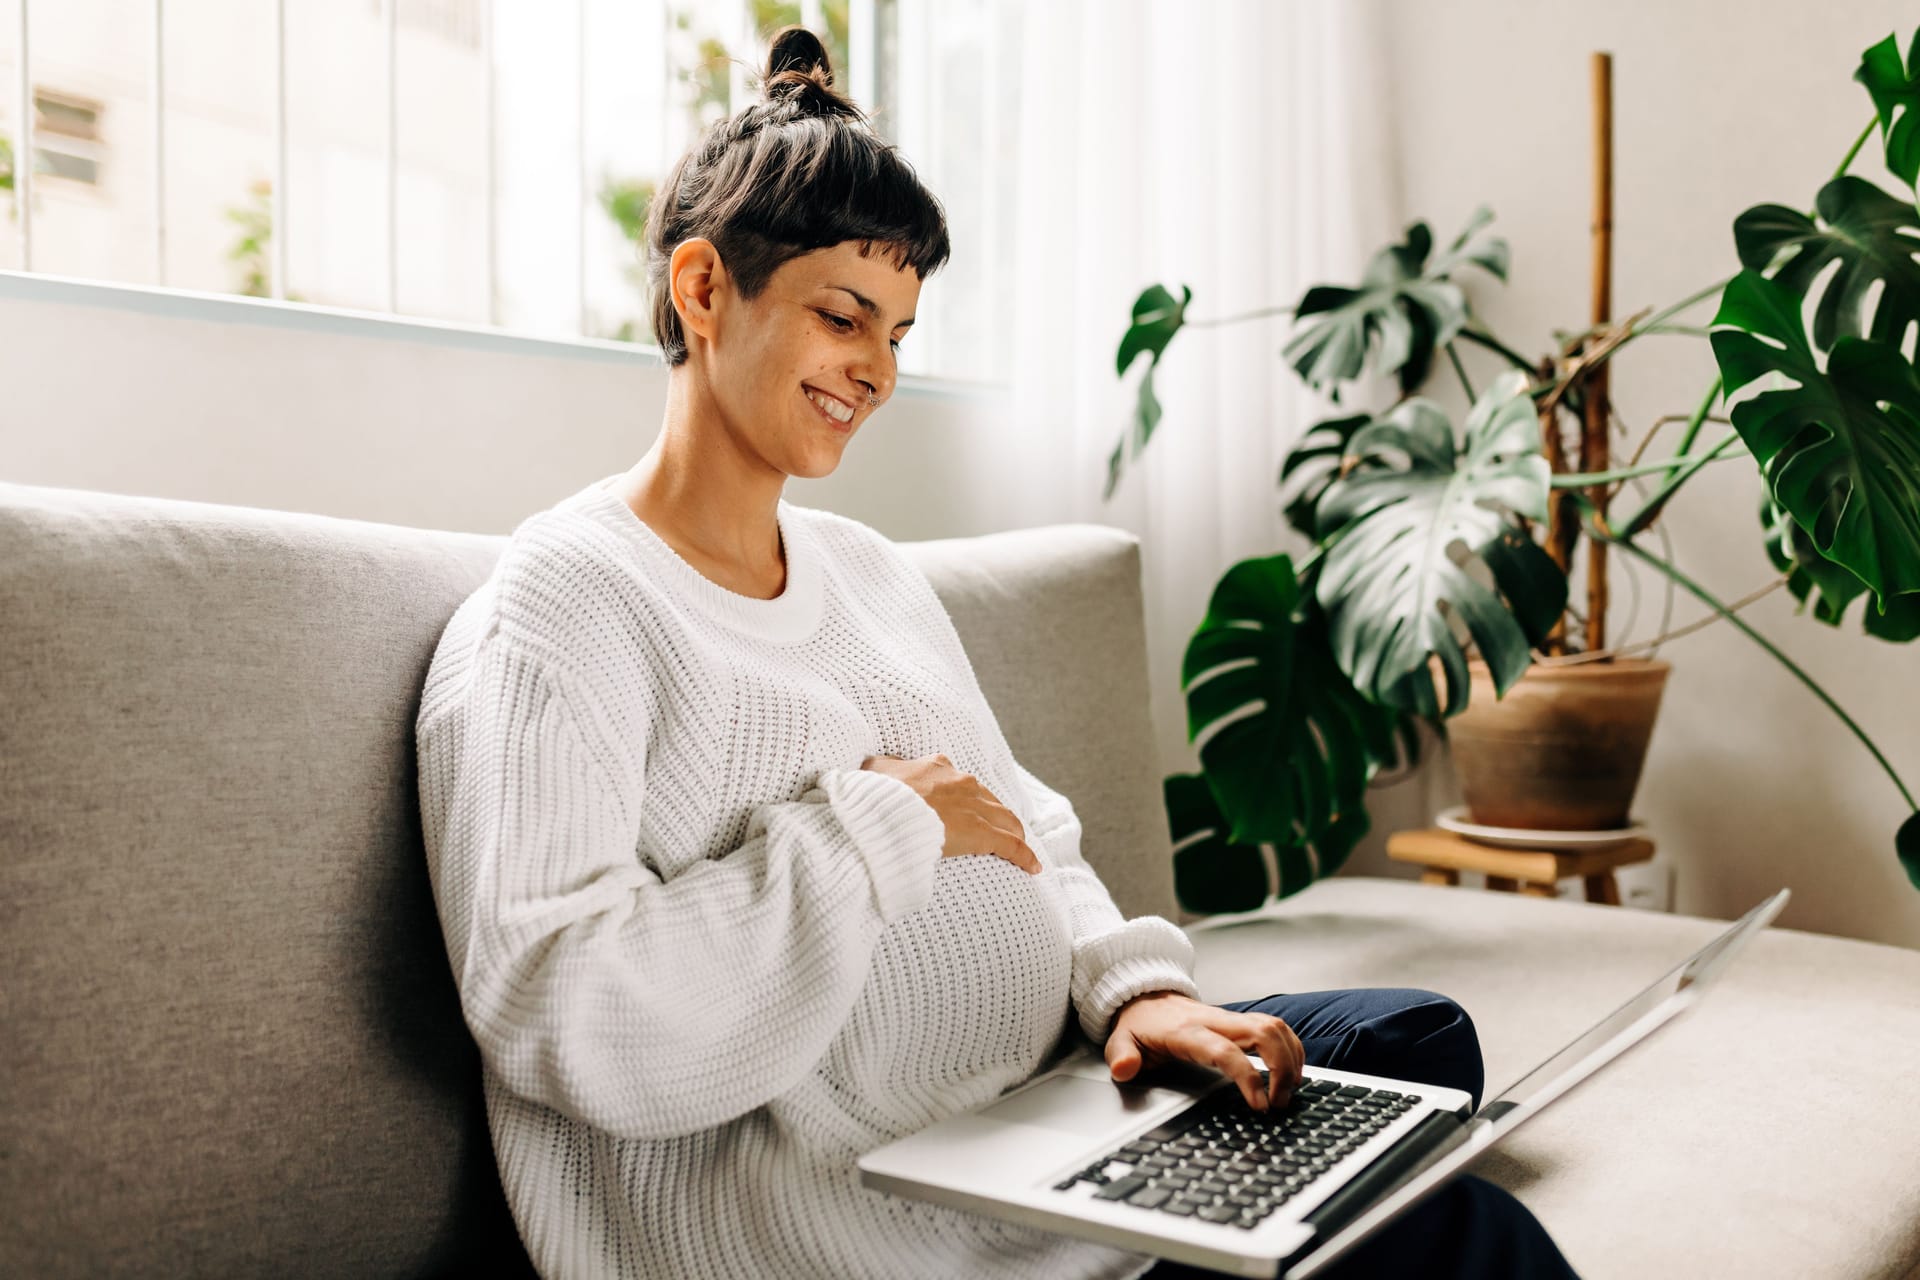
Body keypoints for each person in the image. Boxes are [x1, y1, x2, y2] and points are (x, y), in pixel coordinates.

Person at [413, 24, 1580, 1280]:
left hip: (1051, 1103)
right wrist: (871, 827)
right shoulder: (567, 604)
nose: (875, 371)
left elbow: (1030, 830)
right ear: (704, 291)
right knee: (1465, 1229)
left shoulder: (868, 571)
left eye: (900, 334)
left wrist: (1137, 996)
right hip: (889, 1212)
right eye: (844, 317)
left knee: (1417, 1043)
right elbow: (557, 1004)